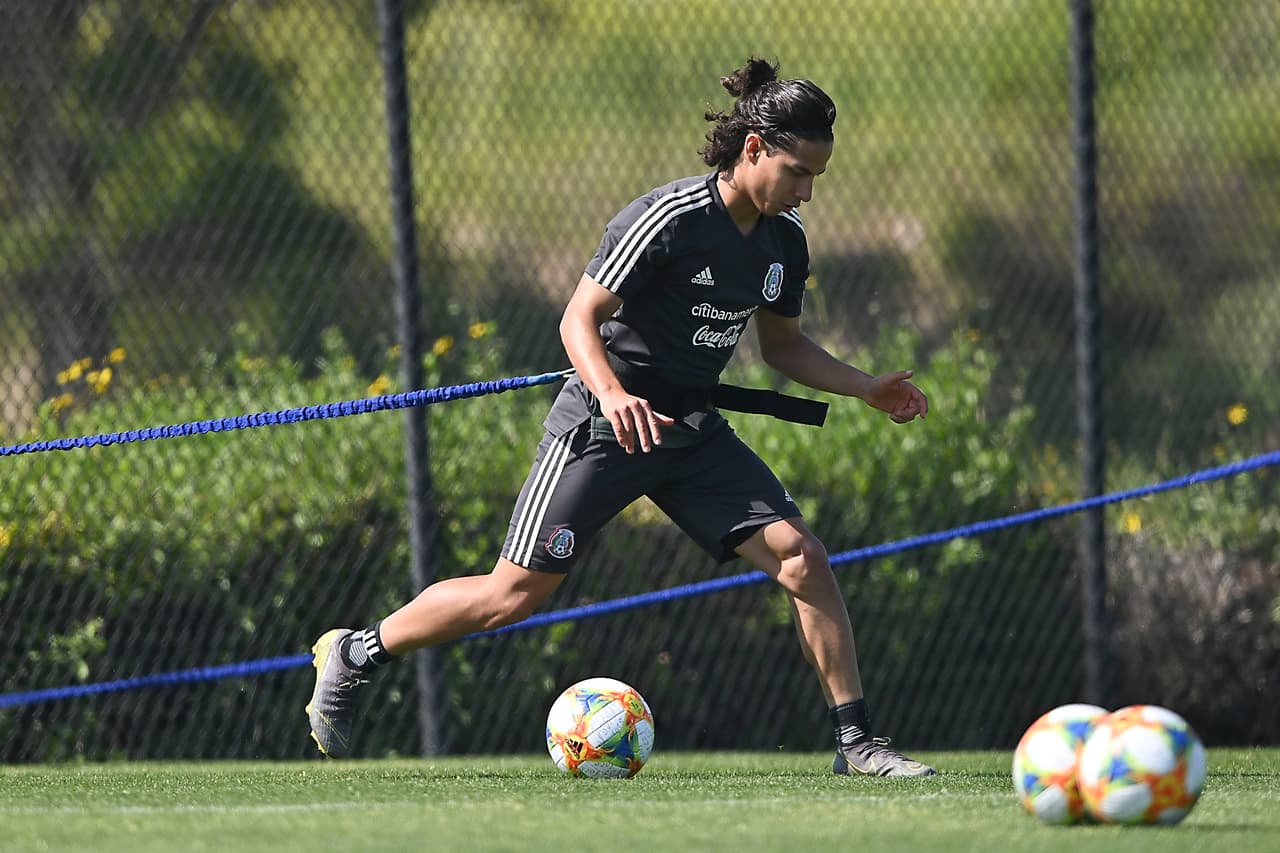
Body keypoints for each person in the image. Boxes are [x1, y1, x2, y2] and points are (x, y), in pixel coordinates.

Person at [307, 56, 935, 777]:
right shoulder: (667, 219)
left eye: (817, 177)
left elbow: (783, 346)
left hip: (690, 433)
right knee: (510, 595)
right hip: (603, 425)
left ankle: (855, 743)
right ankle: (357, 651)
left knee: (804, 558)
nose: (808, 193)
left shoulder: (782, 243)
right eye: (798, 173)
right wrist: (610, 393)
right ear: (754, 148)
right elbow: (579, 319)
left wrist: (863, 386)